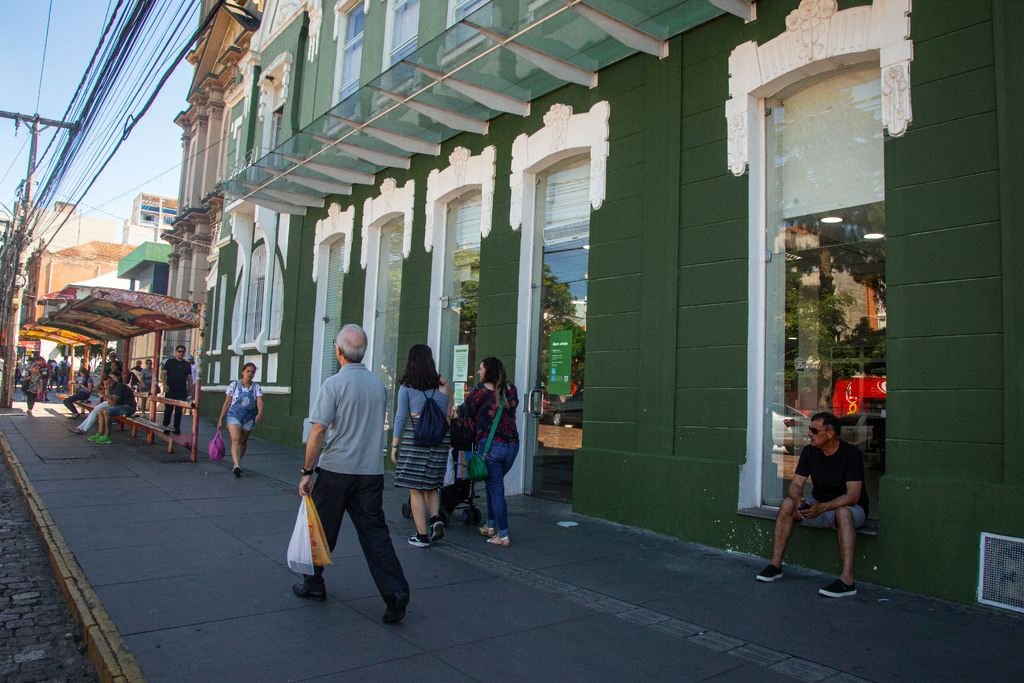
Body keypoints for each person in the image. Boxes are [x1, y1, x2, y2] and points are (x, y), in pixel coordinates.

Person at [292, 324, 410, 624]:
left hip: (335, 471)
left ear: (338, 351)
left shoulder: (333, 384)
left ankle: (314, 584)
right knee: (375, 535)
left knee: (320, 531)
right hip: (370, 473)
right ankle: (395, 592)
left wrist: (307, 471)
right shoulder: (378, 387)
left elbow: (318, 430)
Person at [756, 411, 869, 598]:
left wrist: (822, 508)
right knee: (787, 504)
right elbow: (796, 484)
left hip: (849, 510)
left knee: (842, 512)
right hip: (820, 508)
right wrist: (799, 499)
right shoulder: (810, 451)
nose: (809, 434)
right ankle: (775, 565)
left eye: (815, 431)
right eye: (809, 430)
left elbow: (853, 496)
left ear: (830, 434)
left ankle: (847, 580)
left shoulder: (851, 455)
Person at [391, 344, 454, 548]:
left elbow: (401, 416)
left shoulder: (407, 385)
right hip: (439, 438)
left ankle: (422, 536)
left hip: (416, 436)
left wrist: (394, 444)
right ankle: (435, 519)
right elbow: (448, 415)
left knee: (415, 488)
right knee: (432, 483)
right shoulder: (444, 383)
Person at [457, 356, 520, 547]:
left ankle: (503, 535)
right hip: (512, 446)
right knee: (494, 485)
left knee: (496, 489)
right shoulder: (511, 390)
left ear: (488, 371)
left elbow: (465, 412)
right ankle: (490, 526)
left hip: (492, 446)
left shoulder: (480, 392)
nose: (478, 372)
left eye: (481, 368)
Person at [216, 362, 264, 477]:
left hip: (248, 416)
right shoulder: (234, 385)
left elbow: (260, 401)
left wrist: (260, 413)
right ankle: (237, 465)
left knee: (243, 440)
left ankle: (237, 462)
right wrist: (220, 419)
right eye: (248, 371)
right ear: (243, 372)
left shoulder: (256, 387)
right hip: (234, 415)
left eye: (252, 372)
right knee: (236, 440)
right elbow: (227, 402)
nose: (250, 374)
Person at [90, 373, 137, 444]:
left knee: (106, 411)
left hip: (128, 407)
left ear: (113, 381)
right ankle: (100, 434)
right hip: (121, 406)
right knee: (100, 410)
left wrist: (102, 394)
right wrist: (106, 391)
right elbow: (110, 404)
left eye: (109, 384)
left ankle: (108, 436)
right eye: (106, 384)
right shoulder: (111, 388)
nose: (108, 386)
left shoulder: (119, 386)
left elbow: (113, 402)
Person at [160, 345, 193, 435]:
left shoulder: (186, 364)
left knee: (179, 411)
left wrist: (190, 390)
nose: (181, 353)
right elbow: (163, 374)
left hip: (181, 391)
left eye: (183, 352)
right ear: (176, 352)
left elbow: (189, 378)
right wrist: (164, 384)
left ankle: (176, 428)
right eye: (179, 351)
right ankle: (165, 426)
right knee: (168, 410)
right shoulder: (169, 362)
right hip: (170, 390)